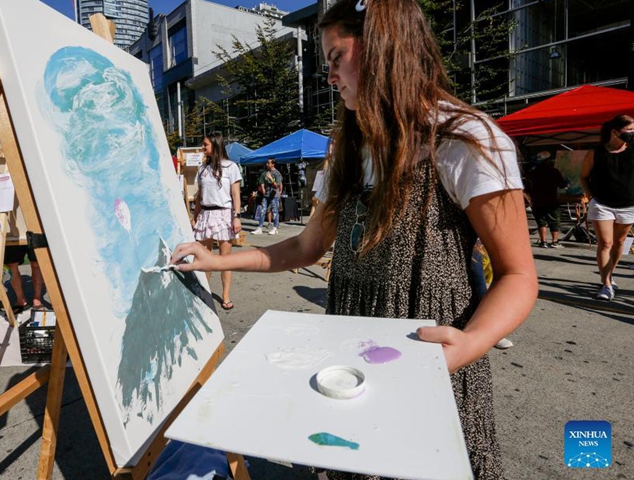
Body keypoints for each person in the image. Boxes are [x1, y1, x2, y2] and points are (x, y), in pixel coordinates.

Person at [171, 1, 537, 478]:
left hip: (428, 355)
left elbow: (518, 274)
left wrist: (471, 342)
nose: (329, 76)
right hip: (350, 352)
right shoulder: (347, 147)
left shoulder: (463, 138)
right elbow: (305, 247)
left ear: (386, 49)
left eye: (336, 57)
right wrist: (214, 261)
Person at [579, 114, 634, 301]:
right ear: (615, 131)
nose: (632, 133)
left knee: (619, 243)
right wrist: (590, 196)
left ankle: (610, 273)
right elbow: (583, 177)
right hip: (602, 204)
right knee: (606, 243)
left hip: (628, 205)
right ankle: (607, 285)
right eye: (629, 130)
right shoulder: (597, 153)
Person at [192, 132, 242, 310]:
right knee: (205, 259)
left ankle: (226, 296)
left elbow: (236, 194)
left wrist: (237, 216)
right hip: (206, 214)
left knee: (225, 259)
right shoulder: (202, 169)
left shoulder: (230, 167)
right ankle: (205, 295)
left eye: (205, 144)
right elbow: (199, 197)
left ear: (215, 145)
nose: (202, 148)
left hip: (224, 214)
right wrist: (195, 216)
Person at [527, 151, 568, 248]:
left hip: (537, 200)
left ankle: (543, 242)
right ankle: (555, 241)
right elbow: (562, 185)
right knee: (554, 221)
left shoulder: (533, 172)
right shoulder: (554, 171)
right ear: (548, 160)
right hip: (551, 200)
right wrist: (567, 183)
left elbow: (528, 187)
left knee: (541, 221)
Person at [4, 244, 45, 314]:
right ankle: (21, 300)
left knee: (36, 263)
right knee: (11, 264)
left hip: (34, 233)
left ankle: (37, 300)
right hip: (12, 235)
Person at [252, 158, 282, 235]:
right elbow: (262, 183)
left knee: (274, 211)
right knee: (263, 210)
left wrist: (271, 179)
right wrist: (264, 191)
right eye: (267, 162)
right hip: (266, 195)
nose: (267, 164)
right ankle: (260, 228)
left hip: (274, 195)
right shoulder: (265, 172)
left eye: (268, 163)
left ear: (273, 164)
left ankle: (275, 228)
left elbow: (277, 186)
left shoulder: (277, 173)